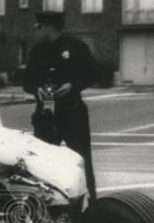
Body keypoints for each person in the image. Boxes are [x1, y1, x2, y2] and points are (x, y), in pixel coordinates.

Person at [22, 11, 99, 200]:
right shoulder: (37, 51)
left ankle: (92, 205)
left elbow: (94, 74)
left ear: (49, 27)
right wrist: (37, 89)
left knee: (82, 159)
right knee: (43, 163)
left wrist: (72, 85)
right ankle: (47, 205)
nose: (37, 32)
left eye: (39, 28)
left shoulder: (75, 47)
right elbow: (27, 81)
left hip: (72, 111)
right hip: (46, 113)